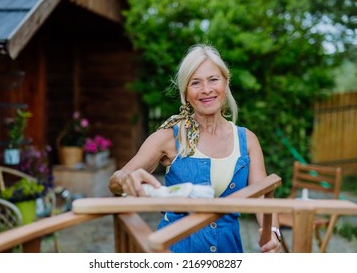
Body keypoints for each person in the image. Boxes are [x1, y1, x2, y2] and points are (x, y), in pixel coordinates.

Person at [109, 44, 282, 253]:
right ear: (186, 92)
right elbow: (118, 179)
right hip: (176, 250)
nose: (206, 89)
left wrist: (272, 230)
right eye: (196, 83)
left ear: (226, 83)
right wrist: (125, 180)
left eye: (213, 79)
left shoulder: (247, 140)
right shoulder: (168, 137)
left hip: (228, 250)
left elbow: (262, 196)